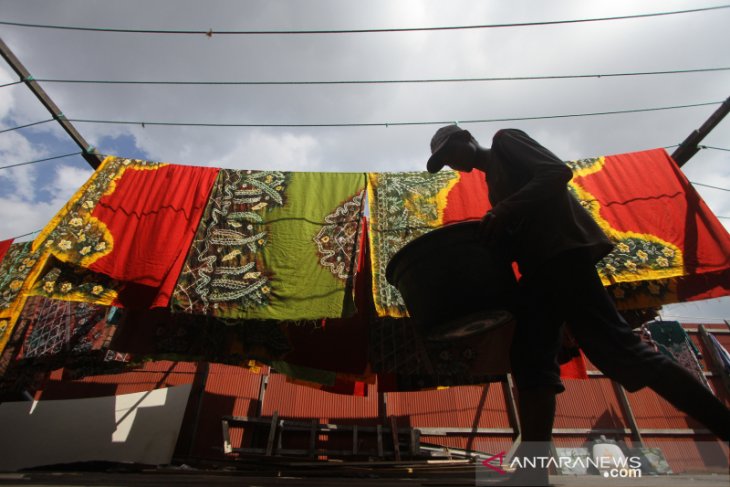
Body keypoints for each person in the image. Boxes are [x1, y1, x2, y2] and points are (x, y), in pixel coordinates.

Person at [426, 125, 730, 486]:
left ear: (465, 137)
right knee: (530, 360)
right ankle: (533, 473)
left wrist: (504, 211)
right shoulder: (493, 182)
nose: (451, 163)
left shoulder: (505, 142)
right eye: (443, 161)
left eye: (450, 153)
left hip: (563, 257)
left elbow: (556, 172)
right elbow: (524, 220)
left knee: (620, 349)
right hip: (539, 270)